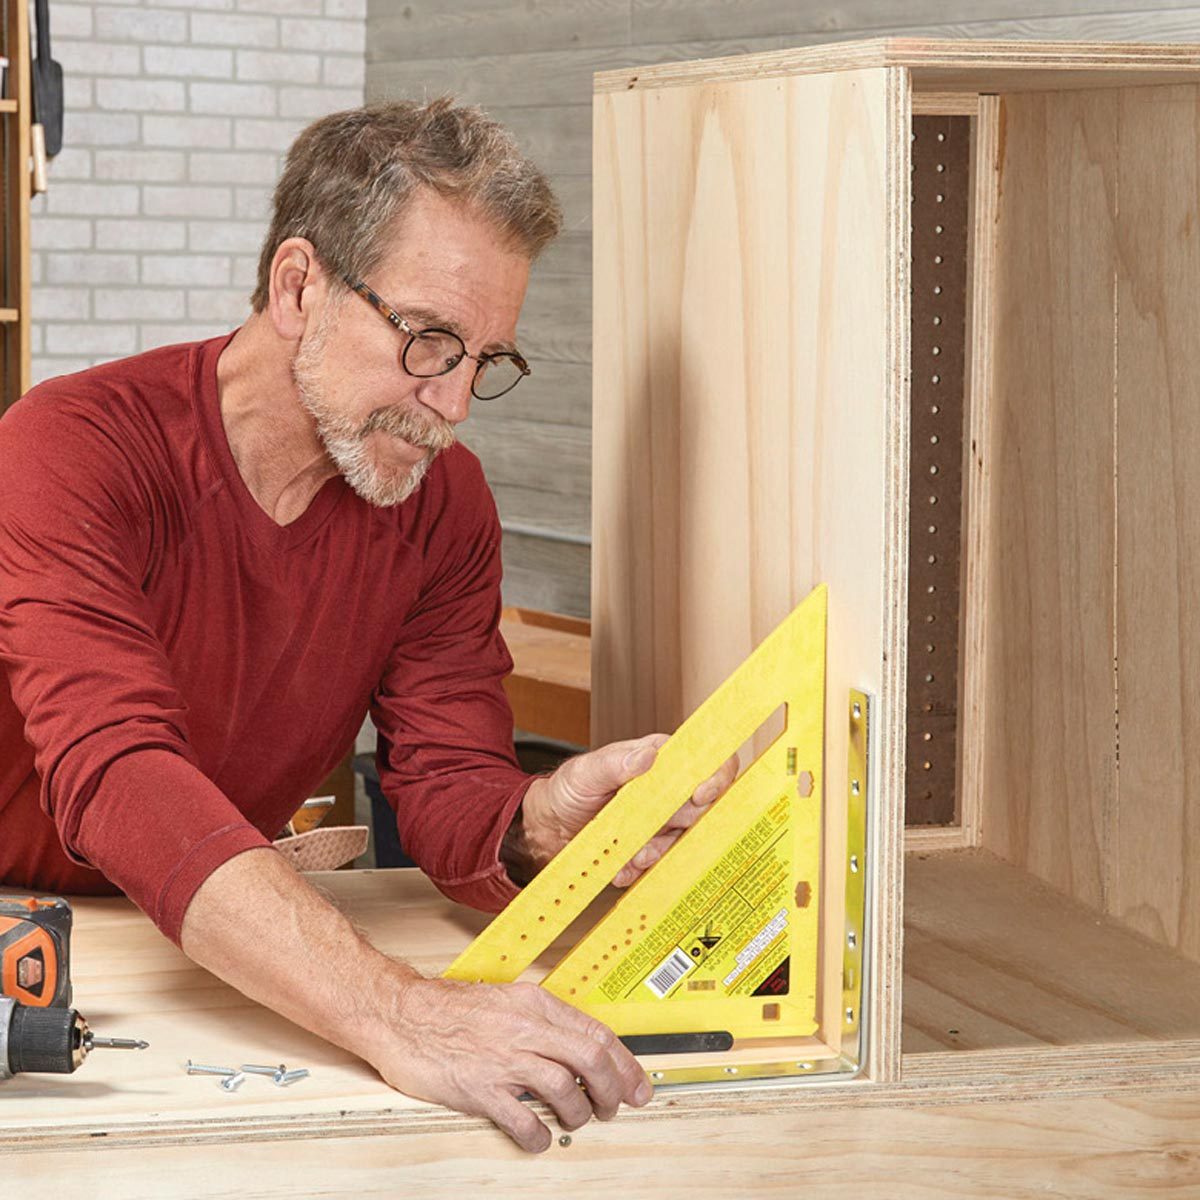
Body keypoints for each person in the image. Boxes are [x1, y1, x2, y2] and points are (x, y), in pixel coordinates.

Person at [0, 98, 736, 1151]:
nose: (454, 405)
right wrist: (396, 1008)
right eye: (430, 341)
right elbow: (117, 773)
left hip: (205, 926)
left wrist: (535, 819)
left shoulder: (444, 504)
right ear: (299, 286)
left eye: (486, 359)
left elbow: (445, 783)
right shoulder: (68, 449)